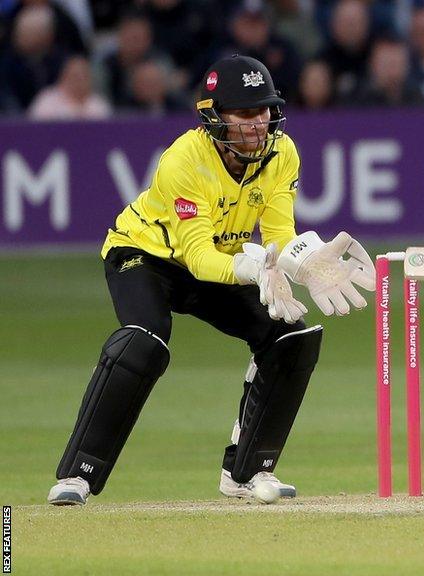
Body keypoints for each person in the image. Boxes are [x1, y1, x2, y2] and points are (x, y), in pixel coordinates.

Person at [47, 55, 375, 506]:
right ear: (214, 117)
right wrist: (256, 267)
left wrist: (305, 261)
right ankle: (76, 477)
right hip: (146, 256)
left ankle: (247, 472)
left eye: (263, 111)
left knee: (290, 337)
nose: (257, 124)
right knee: (144, 342)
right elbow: (197, 258)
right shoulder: (184, 159)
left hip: (221, 260)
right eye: (243, 114)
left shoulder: (283, 153)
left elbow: (279, 235)